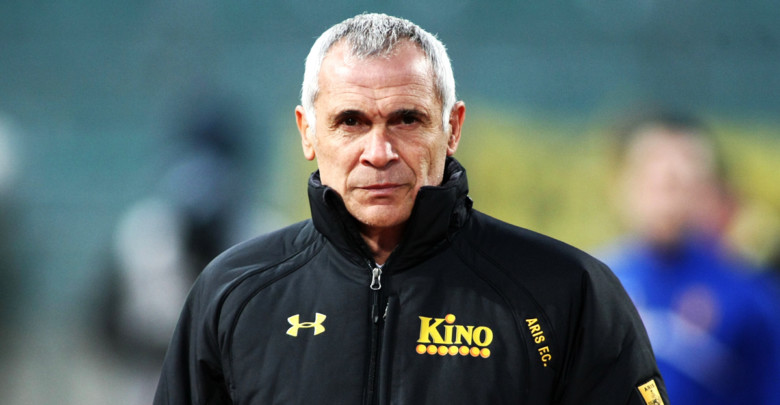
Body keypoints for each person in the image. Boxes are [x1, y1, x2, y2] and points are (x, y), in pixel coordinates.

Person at [154, 13, 667, 404]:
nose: (379, 152)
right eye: (350, 122)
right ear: (307, 132)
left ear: (452, 128)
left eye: (407, 120)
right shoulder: (232, 292)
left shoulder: (565, 290)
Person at [598, 112, 780, 404]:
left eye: (680, 181)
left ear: (708, 190)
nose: (666, 196)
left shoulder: (750, 297)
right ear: (623, 184)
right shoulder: (593, 286)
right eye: (653, 178)